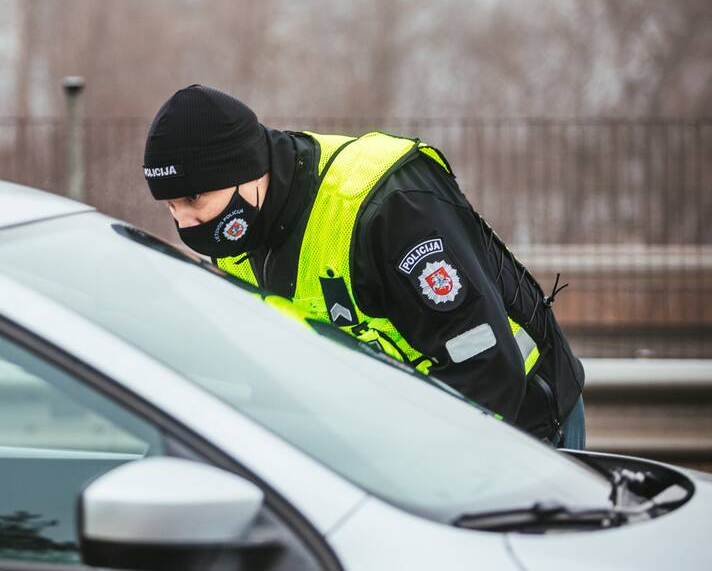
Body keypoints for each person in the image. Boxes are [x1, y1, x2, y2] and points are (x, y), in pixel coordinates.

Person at [142, 85, 585, 448]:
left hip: (523, 424)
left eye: (195, 199)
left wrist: (395, 466)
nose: (185, 222)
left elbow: (484, 366)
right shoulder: (239, 225)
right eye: (171, 206)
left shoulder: (385, 205)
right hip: (397, 428)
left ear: (247, 169)